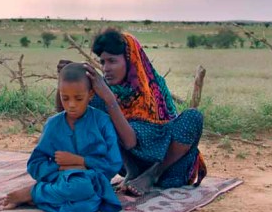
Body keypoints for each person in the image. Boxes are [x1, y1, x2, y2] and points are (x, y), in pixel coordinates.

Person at [63, 29, 206, 196]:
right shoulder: (107, 93)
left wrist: (110, 99)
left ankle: (152, 174)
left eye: (112, 61)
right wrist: (66, 77)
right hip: (131, 167)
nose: (106, 68)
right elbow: (70, 120)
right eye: (102, 62)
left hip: (171, 169)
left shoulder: (152, 87)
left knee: (193, 117)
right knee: (95, 111)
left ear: (130, 60)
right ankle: (132, 172)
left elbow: (131, 142)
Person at [2, 63, 123, 212]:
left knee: (82, 211)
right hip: (62, 179)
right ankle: (43, 194)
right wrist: (62, 166)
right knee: (80, 192)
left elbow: (114, 163)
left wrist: (82, 162)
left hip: (95, 181)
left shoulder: (102, 122)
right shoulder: (53, 124)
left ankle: (35, 194)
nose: (71, 105)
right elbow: (35, 164)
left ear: (91, 95)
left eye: (78, 98)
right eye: (65, 98)